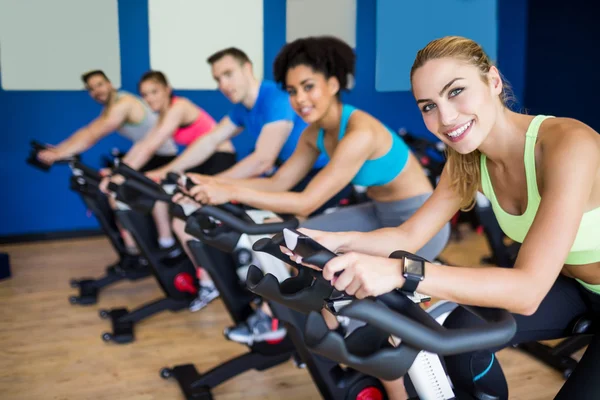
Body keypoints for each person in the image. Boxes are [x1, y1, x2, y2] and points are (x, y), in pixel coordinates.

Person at [291, 36, 600, 400]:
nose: (445, 118)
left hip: (550, 287)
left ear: (494, 81)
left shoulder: (569, 144)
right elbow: (408, 235)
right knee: (460, 337)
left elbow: (529, 290)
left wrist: (401, 273)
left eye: (455, 92)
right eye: (428, 106)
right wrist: (334, 242)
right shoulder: (466, 160)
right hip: (578, 288)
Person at [181, 36, 450, 345]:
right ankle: (316, 330)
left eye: (308, 87)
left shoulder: (359, 132)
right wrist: (218, 185)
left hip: (418, 224)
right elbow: (278, 182)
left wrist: (227, 191)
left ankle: (346, 333)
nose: (299, 99)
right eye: (293, 91)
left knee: (345, 275)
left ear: (333, 84)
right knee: (294, 244)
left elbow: (306, 202)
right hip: (377, 213)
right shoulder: (315, 132)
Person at [146, 47, 335, 312]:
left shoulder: (275, 96)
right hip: (288, 174)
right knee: (242, 223)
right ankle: (259, 300)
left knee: (267, 230)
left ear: (248, 68)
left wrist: (212, 184)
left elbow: (262, 159)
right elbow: (210, 140)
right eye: (217, 79)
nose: (223, 84)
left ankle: (280, 311)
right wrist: (167, 171)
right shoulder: (240, 109)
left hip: (319, 177)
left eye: (228, 74)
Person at [37, 70, 179, 257]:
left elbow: (94, 134)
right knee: (112, 187)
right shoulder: (109, 109)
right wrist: (58, 149)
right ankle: (135, 249)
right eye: (91, 89)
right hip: (145, 154)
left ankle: (160, 246)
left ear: (110, 84)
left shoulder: (124, 104)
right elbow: (88, 130)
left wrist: (58, 153)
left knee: (117, 191)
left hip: (162, 157)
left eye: (100, 84)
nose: (96, 91)